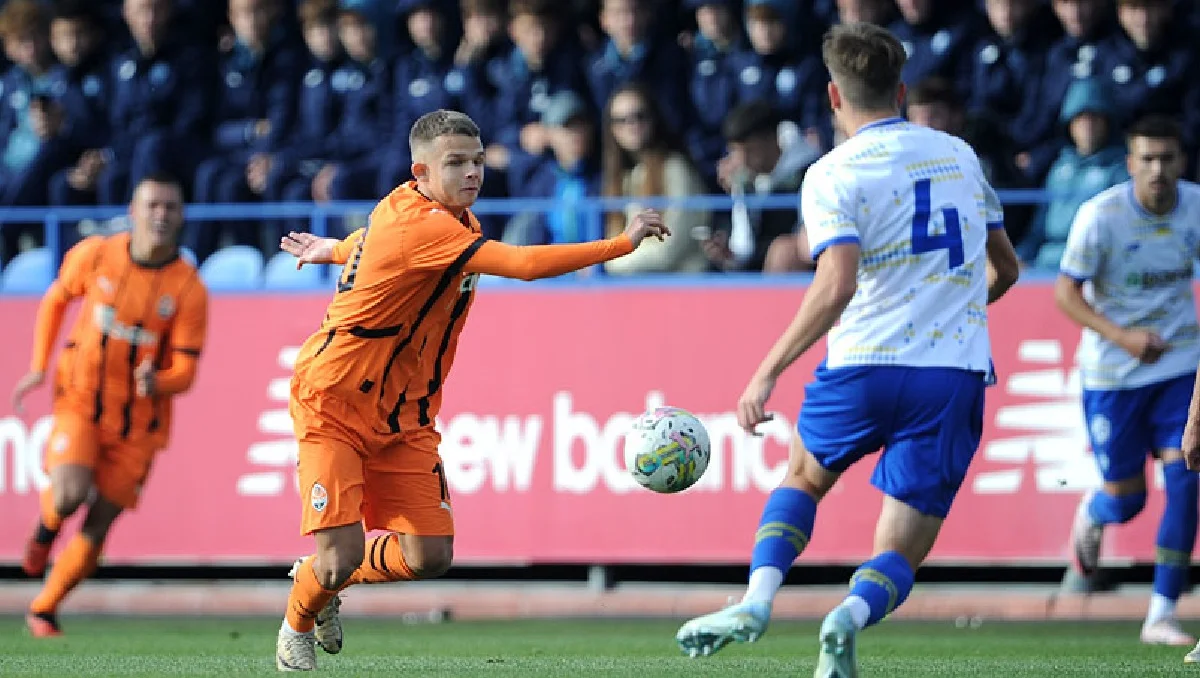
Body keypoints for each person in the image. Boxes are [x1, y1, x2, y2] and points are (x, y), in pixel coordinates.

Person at [672, 23, 1019, 677]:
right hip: (949, 374)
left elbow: (837, 282)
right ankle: (849, 616)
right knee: (900, 547)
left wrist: (766, 372)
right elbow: (1006, 269)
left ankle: (757, 599)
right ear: (902, 90)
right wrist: (953, 308)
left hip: (863, 363)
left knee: (805, 476)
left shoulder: (831, 172)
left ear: (834, 96)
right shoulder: (959, 156)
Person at [272, 109, 669, 672]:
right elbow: (523, 264)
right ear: (421, 172)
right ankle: (299, 619)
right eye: (456, 163)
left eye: (478, 161)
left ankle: (323, 575)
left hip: (402, 416)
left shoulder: (438, 218)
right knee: (339, 558)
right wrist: (621, 244)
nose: (472, 172)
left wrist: (337, 249)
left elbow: (374, 243)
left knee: (430, 556)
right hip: (333, 402)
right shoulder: (428, 227)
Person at [10, 172, 208, 637]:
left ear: (181, 216)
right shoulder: (97, 254)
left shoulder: (188, 288)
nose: (160, 215)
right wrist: (39, 366)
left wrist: (158, 380)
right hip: (80, 400)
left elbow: (186, 371)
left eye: (170, 207)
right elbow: (56, 301)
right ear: (133, 211)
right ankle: (46, 529)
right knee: (68, 494)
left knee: (99, 523)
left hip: (140, 422)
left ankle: (44, 608)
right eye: (152, 205)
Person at [1056, 115, 1200, 649]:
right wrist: (1123, 337)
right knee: (1127, 500)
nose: (1158, 169)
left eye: (1167, 158)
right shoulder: (1102, 216)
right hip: (1113, 375)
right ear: (1130, 164)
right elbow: (1065, 293)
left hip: (1180, 367)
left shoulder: (1196, 207)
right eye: (1147, 159)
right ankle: (1095, 512)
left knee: (1187, 478)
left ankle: (1161, 612)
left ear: (1181, 162)